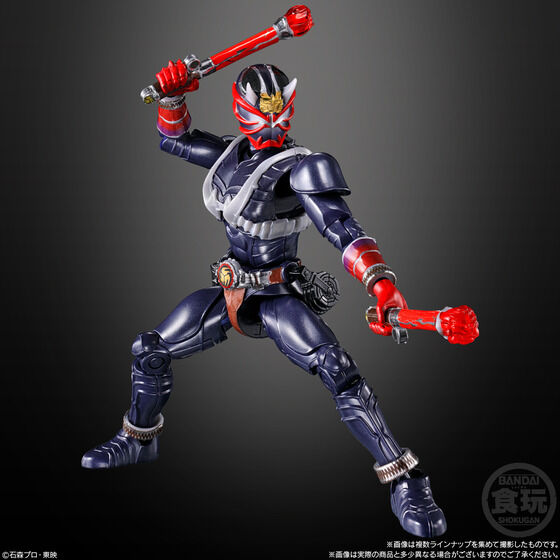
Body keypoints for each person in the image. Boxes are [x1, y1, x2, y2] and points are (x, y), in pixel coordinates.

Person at [82, 60, 447, 537]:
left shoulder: (303, 167)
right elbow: (175, 139)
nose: (272, 119)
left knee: (337, 368)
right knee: (148, 349)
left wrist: (379, 281)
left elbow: (339, 225)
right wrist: (172, 97)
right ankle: (138, 438)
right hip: (230, 288)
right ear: (242, 109)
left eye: (279, 109)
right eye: (263, 109)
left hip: (277, 293)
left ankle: (405, 479)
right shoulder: (230, 155)